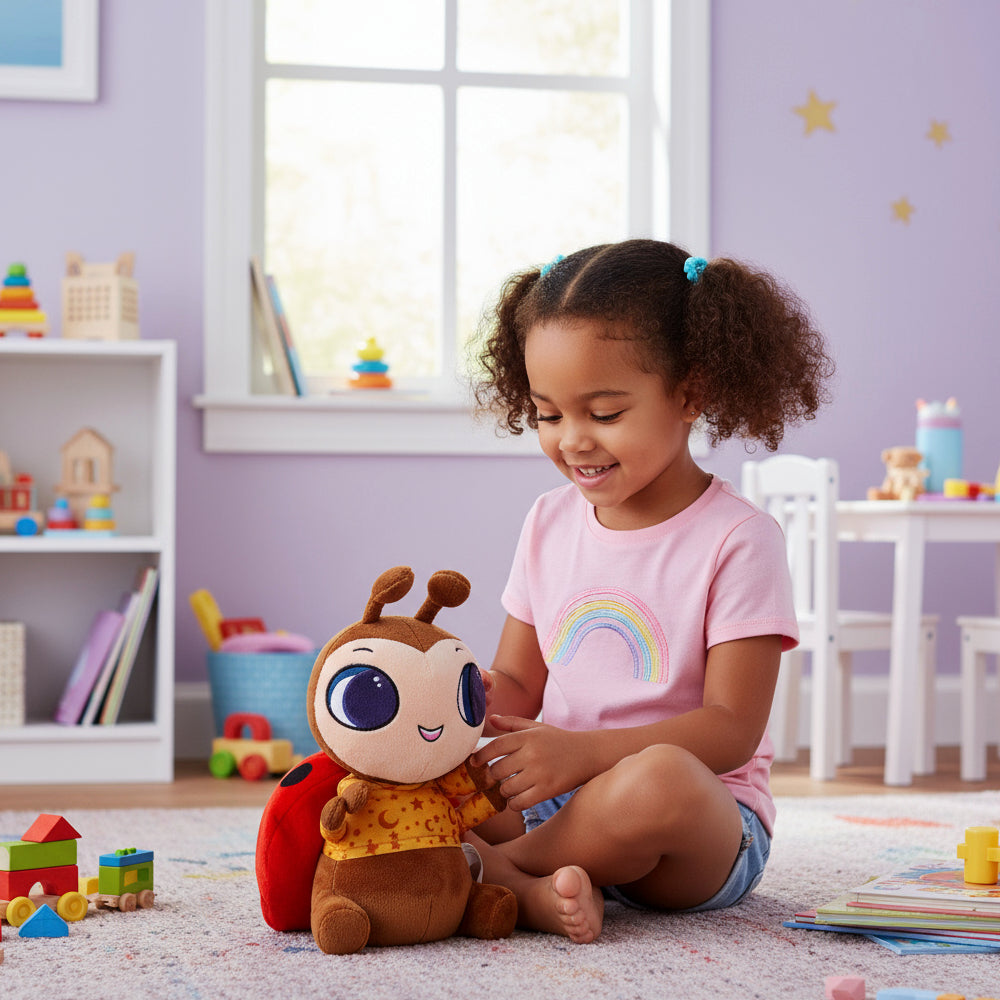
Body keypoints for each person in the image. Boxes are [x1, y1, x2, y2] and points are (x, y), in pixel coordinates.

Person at [465, 238, 834, 943]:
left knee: (659, 776)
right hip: (554, 798)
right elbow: (517, 679)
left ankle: (494, 874)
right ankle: (539, 890)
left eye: (603, 414)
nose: (572, 440)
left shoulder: (738, 539)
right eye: (548, 414)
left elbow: (730, 730)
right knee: (409, 766)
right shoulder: (548, 521)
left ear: (690, 392)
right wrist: (465, 700)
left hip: (693, 831)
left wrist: (581, 754)